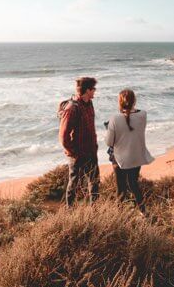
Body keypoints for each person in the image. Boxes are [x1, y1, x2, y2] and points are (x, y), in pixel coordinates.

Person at [105, 89, 154, 213]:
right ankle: (143, 212)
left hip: (120, 159)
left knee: (121, 188)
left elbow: (109, 142)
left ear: (120, 102)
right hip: (136, 156)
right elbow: (131, 127)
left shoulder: (114, 119)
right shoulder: (143, 114)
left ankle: (120, 214)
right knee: (133, 184)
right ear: (134, 101)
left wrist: (109, 129)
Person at [59, 77, 100, 207]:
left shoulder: (89, 104)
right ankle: (69, 210)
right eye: (93, 89)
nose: (95, 91)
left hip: (91, 151)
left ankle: (95, 210)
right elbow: (63, 135)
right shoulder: (72, 108)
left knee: (94, 182)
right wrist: (73, 152)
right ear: (87, 90)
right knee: (74, 183)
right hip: (77, 154)